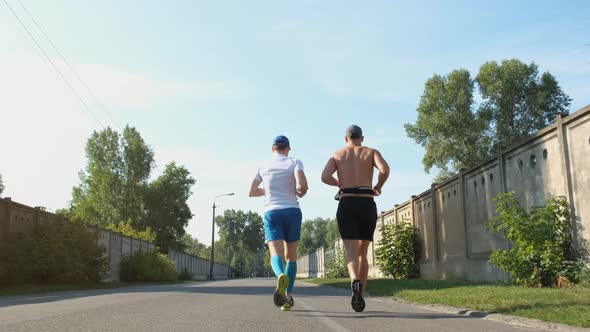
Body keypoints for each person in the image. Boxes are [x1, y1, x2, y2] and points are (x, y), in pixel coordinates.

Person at [321, 125, 389, 312]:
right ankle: (361, 291)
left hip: (347, 202)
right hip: (367, 203)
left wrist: (339, 183)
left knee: (350, 250)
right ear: (362, 138)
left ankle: (354, 281)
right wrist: (378, 186)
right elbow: (384, 169)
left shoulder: (338, 155)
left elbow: (324, 176)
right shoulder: (371, 152)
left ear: (346, 139)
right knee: (363, 251)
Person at [249, 135, 308, 311]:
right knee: (291, 256)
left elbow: (251, 191)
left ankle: (280, 275)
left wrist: (268, 190)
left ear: (273, 149)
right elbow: (303, 185)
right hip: (292, 211)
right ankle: (287, 296)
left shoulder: (263, 165)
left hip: (272, 212)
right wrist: (301, 191)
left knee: (276, 253)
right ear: (288, 148)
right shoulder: (295, 162)